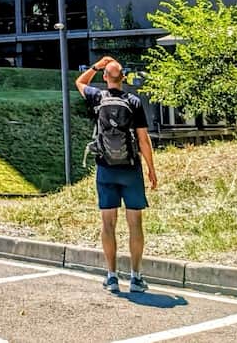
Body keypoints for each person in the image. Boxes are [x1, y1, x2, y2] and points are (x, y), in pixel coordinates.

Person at [76, 55, 158, 295]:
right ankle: (136, 277)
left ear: (105, 77)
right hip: (130, 169)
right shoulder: (134, 101)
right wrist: (151, 168)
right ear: (123, 78)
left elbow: (80, 82)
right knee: (135, 223)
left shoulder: (97, 97)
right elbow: (143, 140)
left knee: (108, 223)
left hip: (105, 168)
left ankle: (112, 276)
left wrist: (96, 66)